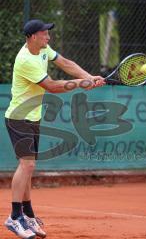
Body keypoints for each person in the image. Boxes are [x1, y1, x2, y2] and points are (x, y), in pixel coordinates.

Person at [4, 19, 105, 239]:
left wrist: (88, 77)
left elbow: (66, 63)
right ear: (32, 37)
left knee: (28, 167)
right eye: (44, 34)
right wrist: (82, 84)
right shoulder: (25, 60)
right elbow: (52, 86)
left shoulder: (43, 48)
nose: (48, 37)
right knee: (27, 165)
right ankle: (14, 217)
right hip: (19, 117)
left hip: (33, 117)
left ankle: (27, 215)